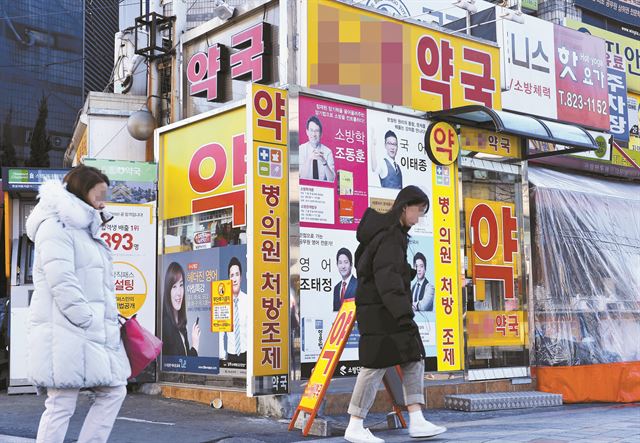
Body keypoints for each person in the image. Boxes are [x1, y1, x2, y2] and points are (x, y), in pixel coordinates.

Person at [26, 166, 130, 443]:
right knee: (61, 402)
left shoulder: (83, 227)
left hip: (86, 331)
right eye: (100, 194)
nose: (103, 201)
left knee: (113, 391)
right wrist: (87, 318)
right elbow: (61, 279)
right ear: (83, 191)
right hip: (66, 331)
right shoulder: (56, 225)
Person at [345, 185, 447, 443]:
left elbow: (386, 270)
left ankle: (417, 419)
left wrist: (407, 273)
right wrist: (403, 314)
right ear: (405, 207)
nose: (419, 217)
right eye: (418, 211)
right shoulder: (391, 236)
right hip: (384, 312)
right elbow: (387, 279)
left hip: (381, 310)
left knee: (413, 357)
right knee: (375, 366)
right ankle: (355, 425)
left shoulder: (390, 234)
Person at [162, 262, 201, 356]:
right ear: (168, 291)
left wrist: (195, 342)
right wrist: (195, 345)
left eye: (181, 285)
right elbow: (178, 365)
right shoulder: (165, 325)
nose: (179, 292)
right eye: (174, 287)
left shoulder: (181, 325)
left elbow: (185, 363)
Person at [222, 257, 248, 364]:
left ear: (241, 277)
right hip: (230, 355)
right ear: (229, 279)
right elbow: (221, 332)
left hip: (247, 353)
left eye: (237, 274)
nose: (235, 279)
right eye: (232, 275)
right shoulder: (224, 302)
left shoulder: (248, 300)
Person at [299, 115, 336, 182]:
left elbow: (332, 179)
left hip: (322, 190)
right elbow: (301, 177)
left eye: (316, 131)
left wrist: (324, 162)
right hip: (305, 190)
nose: (314, 134)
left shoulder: (328, 152)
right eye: (311, 130)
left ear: (321, 133)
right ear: (307, 132)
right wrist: (310, 158)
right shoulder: (301, 149)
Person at [333, 247, 357, 311]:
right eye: (340, 263)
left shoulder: (358, 284)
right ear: (337, 265)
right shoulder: (336, 288)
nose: (343, 266)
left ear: (351, 264)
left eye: (346, 262)